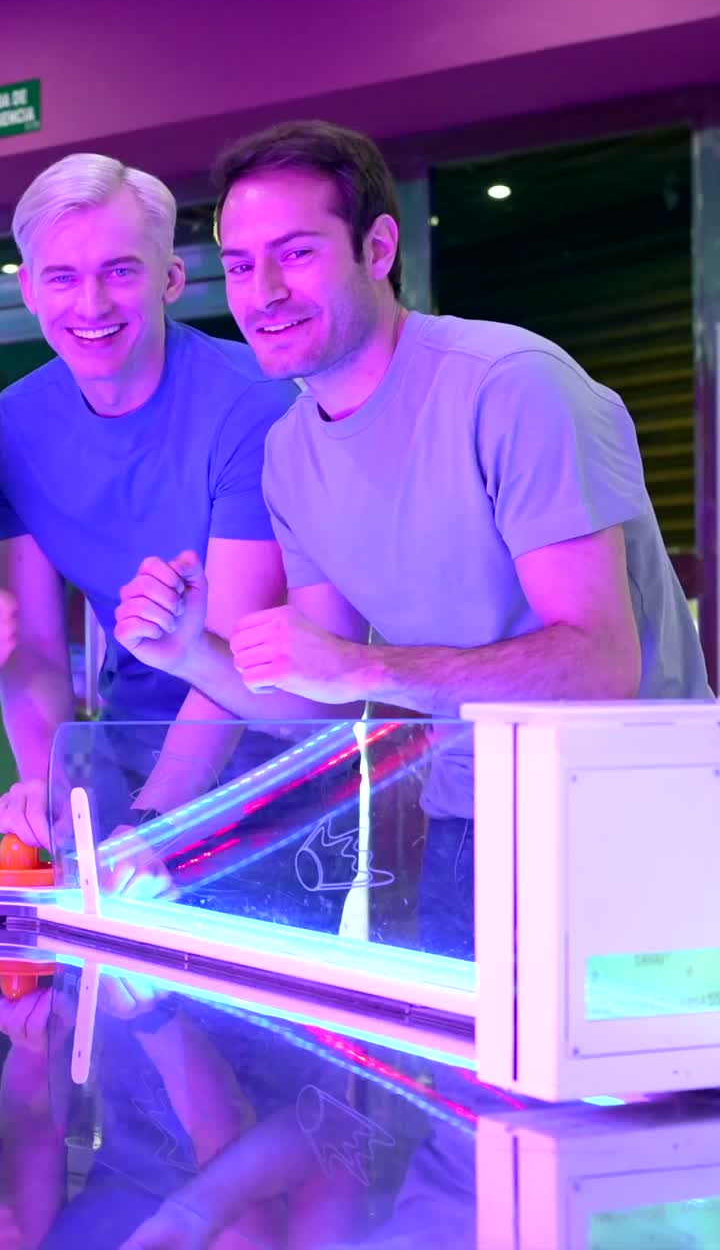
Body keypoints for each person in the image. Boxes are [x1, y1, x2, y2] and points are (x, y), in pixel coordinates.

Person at [115, 120, 711, 956]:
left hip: (623, 817)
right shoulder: (290, 450)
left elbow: (601, 664)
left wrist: (365, 666)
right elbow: (321, 701)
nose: (264, 292)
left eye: (297, 253)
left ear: (380, 246)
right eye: (242, 265)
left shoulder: (511, 386)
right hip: (466, 824)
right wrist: (188, 651)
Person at [0, 151, 356, 902]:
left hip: (277, 762)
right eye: (62, 278)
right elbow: (34, 647)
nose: (91, 305)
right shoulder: (15, 428)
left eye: (121, 271)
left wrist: (157, 823)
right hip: (125, 751)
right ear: (28, 289)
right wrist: (47, 792)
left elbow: (229, 653)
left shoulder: (254, 404)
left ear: (170, 279)